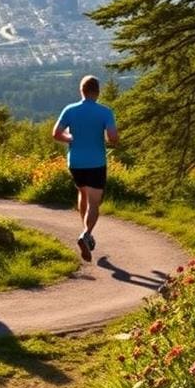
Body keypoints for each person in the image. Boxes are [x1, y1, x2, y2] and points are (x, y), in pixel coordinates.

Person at [52, 75, 118, 262]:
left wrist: (70, 138)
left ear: (81, 90)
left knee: (83, 194)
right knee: (94, 203)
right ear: (97, 92)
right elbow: (113, 138)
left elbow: (56, 134)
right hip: (96, 162)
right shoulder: (105, 112)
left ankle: (86, 234)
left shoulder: (70, 110)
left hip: (75, 162)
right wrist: (106, 138)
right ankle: (86, 233)